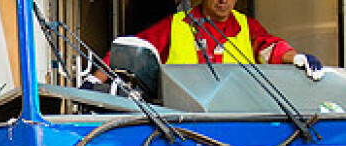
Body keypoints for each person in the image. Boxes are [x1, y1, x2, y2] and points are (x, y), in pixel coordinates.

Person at [87, 0, 324, 86]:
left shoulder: (246, 26)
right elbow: (130, 51)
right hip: (181, 125)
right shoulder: (176, 24)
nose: (223, 1)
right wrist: (94, 81)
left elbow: (270, 48)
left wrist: (297, 58)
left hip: (233, 121)